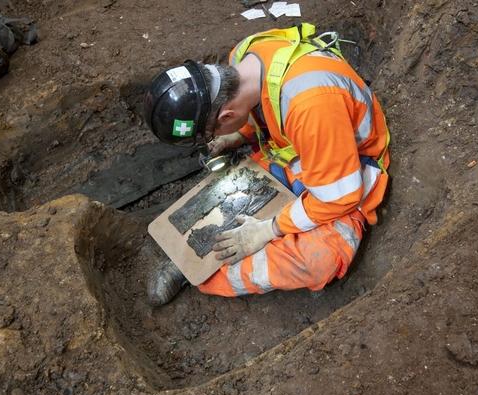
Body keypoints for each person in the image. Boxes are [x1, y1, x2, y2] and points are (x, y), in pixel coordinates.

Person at [144, 23, 390, 305]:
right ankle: (188, 254)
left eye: (213, 132)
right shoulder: (245, 55)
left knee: (319, 260)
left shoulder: (310, 104)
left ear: (225, 115)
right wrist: (239, 135)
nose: (214, 138)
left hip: (345, 170)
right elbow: (265, 104)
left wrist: (268, 229)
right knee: (236, 191)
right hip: (299, 147)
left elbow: (338, 198)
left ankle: (202, 272)